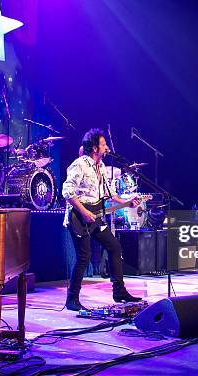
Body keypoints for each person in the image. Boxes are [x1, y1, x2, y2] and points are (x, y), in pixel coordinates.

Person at [61, 128, 141, 311]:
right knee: (84, 257)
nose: (107, 147)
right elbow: (67, 191)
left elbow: (109, 193)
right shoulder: (80, 164)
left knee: (114, 246)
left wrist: (126, 202)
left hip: (96, 216)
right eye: (104, 144)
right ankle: (72, 299)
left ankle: (119, 291)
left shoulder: (102, 167)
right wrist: (83, 212)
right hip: (79, 217)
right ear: (95, 148)